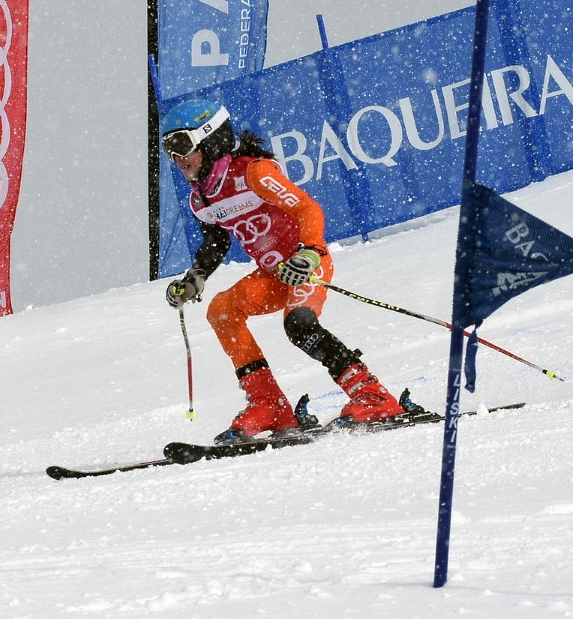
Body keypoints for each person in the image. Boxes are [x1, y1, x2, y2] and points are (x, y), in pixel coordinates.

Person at [159, 98, 407, 443]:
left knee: (299, 325)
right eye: (169, 149)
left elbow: (308, 208)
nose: (178, 158)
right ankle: (270, 406)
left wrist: (311, 252)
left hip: (305, 265)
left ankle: (375, 397)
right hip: (274, 276)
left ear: (210, 138)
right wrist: (195, 277)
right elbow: (216, 241)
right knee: (222, 310)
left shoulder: (254, 173)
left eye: (182, 145)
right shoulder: (202, 198)